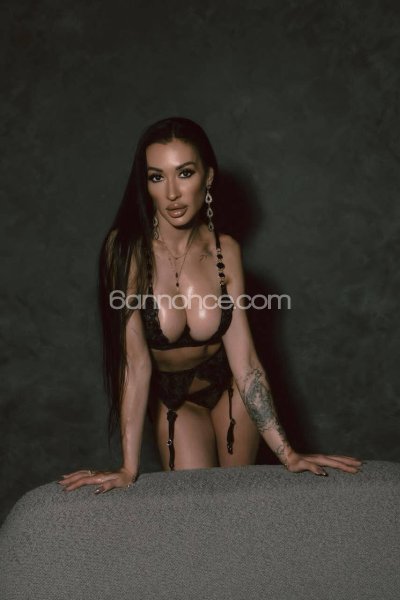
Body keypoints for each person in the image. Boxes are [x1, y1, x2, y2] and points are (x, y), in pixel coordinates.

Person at [59, 117, 363, 494]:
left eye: (185, 173)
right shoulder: (125, 251)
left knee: (237, 497)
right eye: (156, 177)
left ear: (208, 177)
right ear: (145, 184)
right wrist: (127, 468)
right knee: (197, 503)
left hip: (228, 388)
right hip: (172, 399)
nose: (172, 193)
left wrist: (288, 454)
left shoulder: (225, 250)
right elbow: (134, 365)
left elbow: (245, 361)